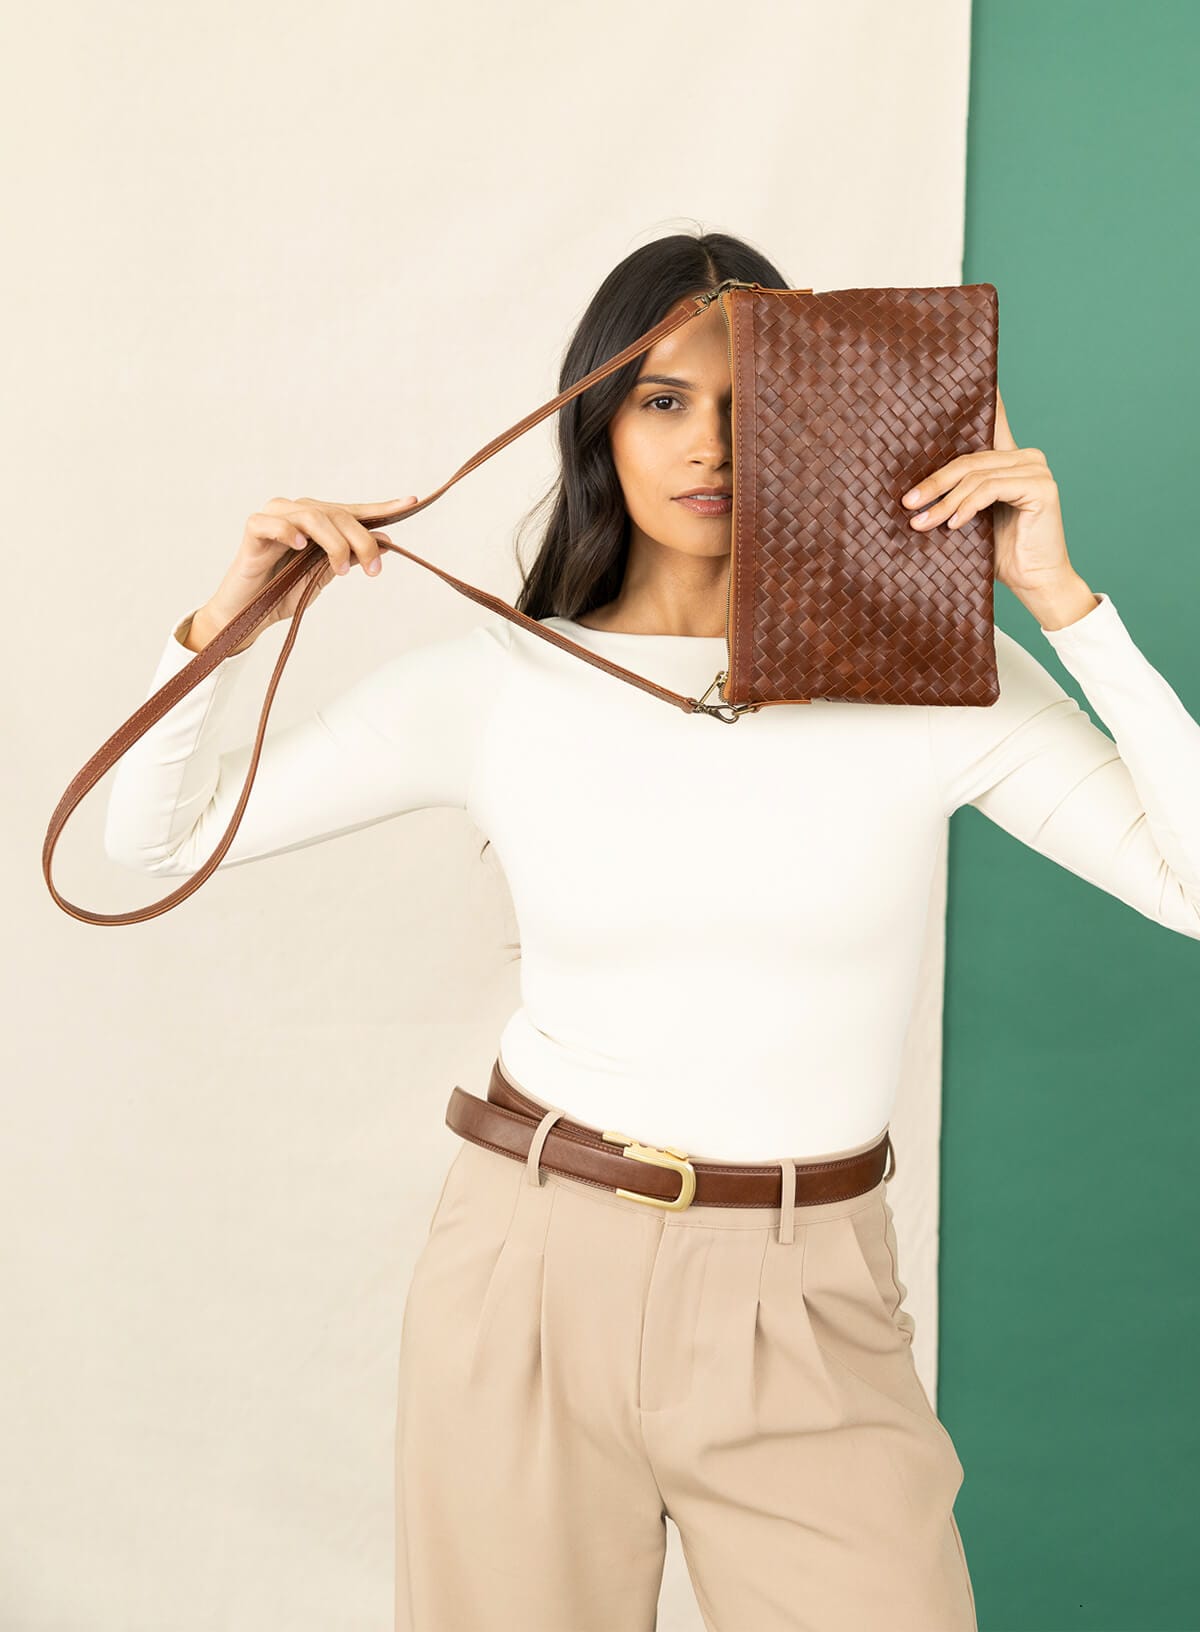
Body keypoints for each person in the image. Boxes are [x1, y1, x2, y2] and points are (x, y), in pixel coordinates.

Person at [103, 231, 1200, 1632]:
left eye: (753, 400)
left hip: (810, 1300)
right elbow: (151, 846)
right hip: (530, 1276)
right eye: (664, 399)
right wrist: (227, 622)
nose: (711, 443)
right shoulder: (495, 684)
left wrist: (1061, 602)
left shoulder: (933, 681)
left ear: (826, 416)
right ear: (598, 426)